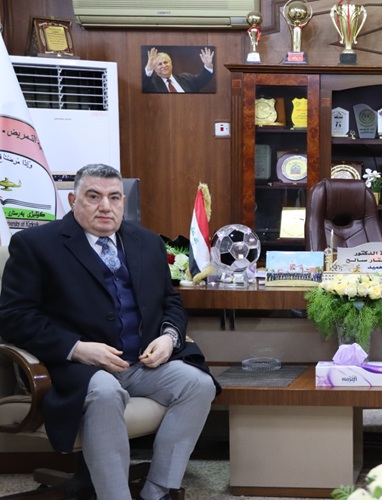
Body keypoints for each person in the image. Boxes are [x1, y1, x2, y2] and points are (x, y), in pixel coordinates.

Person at [0, 164, 220, 500]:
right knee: (105, 392)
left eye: (114, 197)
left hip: (141, 363)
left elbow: (170, 302)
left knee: (198, 384)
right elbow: (14, 317)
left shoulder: (147, 242)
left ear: (123, 202)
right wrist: (78, 348)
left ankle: (157, 490)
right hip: (76, 367)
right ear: (73, 200)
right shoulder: (36, 245)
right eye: (94, 196)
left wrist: (169, 337)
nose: (106, 206)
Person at [143, 47, 215, 93]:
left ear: (171, 64)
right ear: (155, 69)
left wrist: (208, 66)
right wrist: (149, 68)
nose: (164, 66)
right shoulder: (152, 84)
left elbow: (202, 80)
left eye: (165, 62)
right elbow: (144, 84)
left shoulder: (186, 78)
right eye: (159, 64)